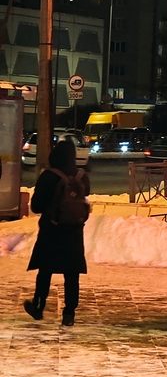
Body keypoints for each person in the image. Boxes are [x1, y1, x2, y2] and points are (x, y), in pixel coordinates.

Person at [24, 139, 90, 327]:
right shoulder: (81, 176)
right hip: (74, 233)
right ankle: (69, 313)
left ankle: (38, 306)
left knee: (45, 270)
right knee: (72, 274)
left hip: (52, 231)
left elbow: (36, 207)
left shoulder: (49, 176)